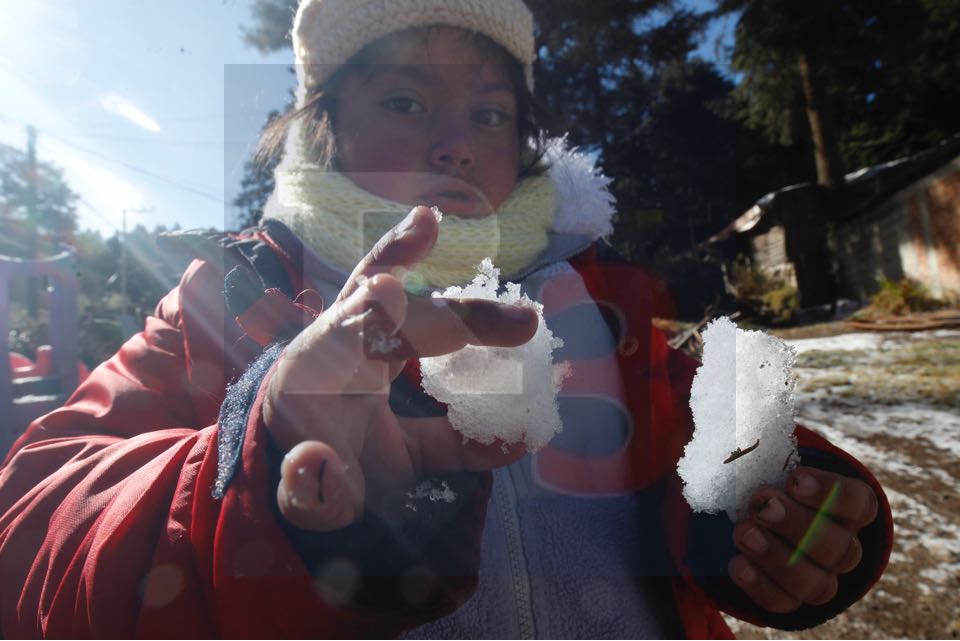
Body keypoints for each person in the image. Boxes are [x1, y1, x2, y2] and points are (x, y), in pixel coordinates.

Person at [0, 0, 892, 638]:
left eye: (489, 112)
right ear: (325, 131)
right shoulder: (224, 300)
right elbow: (31, 525)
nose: (455, 141)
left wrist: (774, 511)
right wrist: (256, 464)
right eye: (404, 101)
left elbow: (733, 456)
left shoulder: (601, 309)